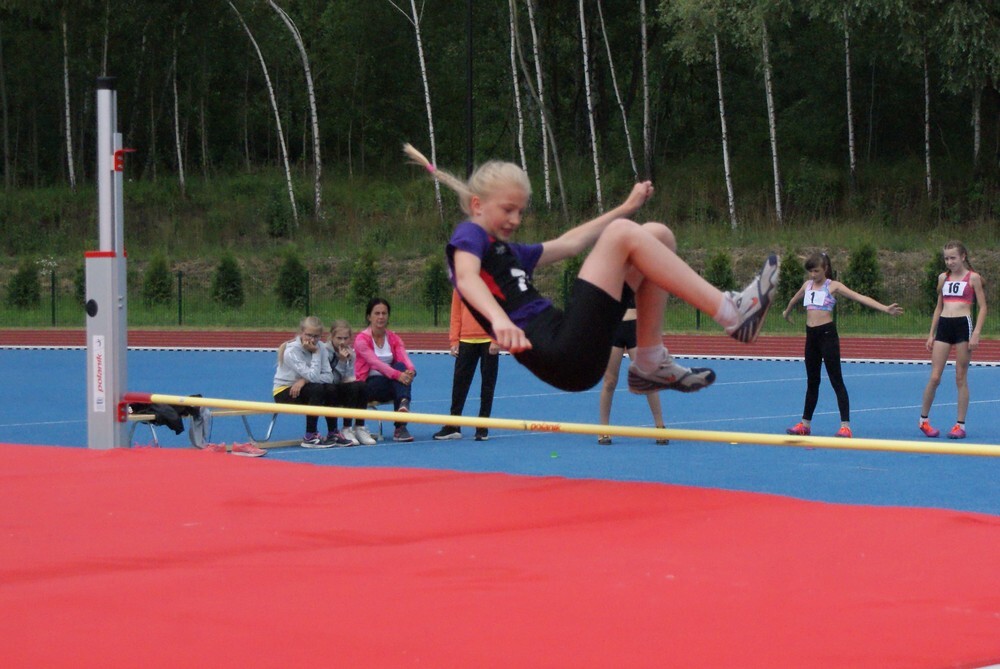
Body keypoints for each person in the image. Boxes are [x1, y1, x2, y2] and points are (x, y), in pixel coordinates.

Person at [403, 143, 777, 398]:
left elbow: (569, 244)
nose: (516, 219)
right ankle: (732, 313)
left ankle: (649, 364)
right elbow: (465, 277)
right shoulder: (468, 235)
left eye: (521, 211)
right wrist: (500, 322)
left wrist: (625, 207)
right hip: (559, 352)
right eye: (508, 209)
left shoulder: (506, 252)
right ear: (477, 205)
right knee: (622, 236)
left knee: (657, 235)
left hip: (573, 348)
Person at [781, 252, 903, 438]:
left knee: (836, 380)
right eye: (810, 272)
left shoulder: (833, 286)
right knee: (812, 381)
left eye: (816, 271)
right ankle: (805, 424)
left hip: (827, 335)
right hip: (811, 336)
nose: (813, 275)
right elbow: (793, 300)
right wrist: (786, 313)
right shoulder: (808, 285)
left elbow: (860, 297)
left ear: (825, 269)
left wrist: (885, 308)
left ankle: (845, 426)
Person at [918, 241, 987, 440]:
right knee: (935, 377)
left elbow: (983, 307)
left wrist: (976, 333)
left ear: (963, 257)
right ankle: (923, 420)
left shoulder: (973, 278)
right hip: (944, 327)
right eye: (946, 258)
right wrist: (931, 333)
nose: (949, 262)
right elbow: (939, 308)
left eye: (953, 258)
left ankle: (960, 425)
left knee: (960, 376)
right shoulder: (943, 278)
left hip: (963, 326)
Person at [597, 293, 669, 445]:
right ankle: (603, 429)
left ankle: (660, 426)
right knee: (609, 381)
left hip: (636, 327)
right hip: (613, 326)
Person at [433, 290, 500, 442]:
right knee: (459, 384)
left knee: (487, 385)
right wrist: (454, 340)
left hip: (488, 340)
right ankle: (454, 426)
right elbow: (456, 313)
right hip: (465, 340)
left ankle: (482, 427)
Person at [272, 316, 349, 448]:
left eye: (316, 336)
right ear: (302, 332)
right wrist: (316, 353)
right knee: (317, 389)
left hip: (304, 388)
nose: (312, 340)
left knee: (331, 388)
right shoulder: (292, 351)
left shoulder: (321, 347)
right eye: (308, 335)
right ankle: (310, 436)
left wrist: (303, 380)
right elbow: (314, 377)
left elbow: (328, 377)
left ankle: (333, 433)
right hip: (285, 391)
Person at [354, 297, 417, 442]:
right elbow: (375, 363)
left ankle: (403, 406)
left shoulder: (393, 337)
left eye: (384, 313)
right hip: (368, 386)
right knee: (400, 380)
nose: (381, 317)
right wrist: (398, 375)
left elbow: (403, 356)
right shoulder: (361, 340)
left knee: (402, 368)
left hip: (391, 382)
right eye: (377, 313)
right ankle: (401, 425)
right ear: (369, 316)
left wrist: (411, 370)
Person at [326, 319, 377, 446]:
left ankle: (359, 427)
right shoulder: (325, 351)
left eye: (346, 338)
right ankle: (346, 428)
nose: (342, 342)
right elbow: (328, 378)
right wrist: (341, 361)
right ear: (331, 337)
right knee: (352, 388)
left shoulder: (351, 354)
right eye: (339, 338)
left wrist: (346, 364)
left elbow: (348, 377)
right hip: (327, 388)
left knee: (362, 386)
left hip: (341, 387)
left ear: (350, 339)